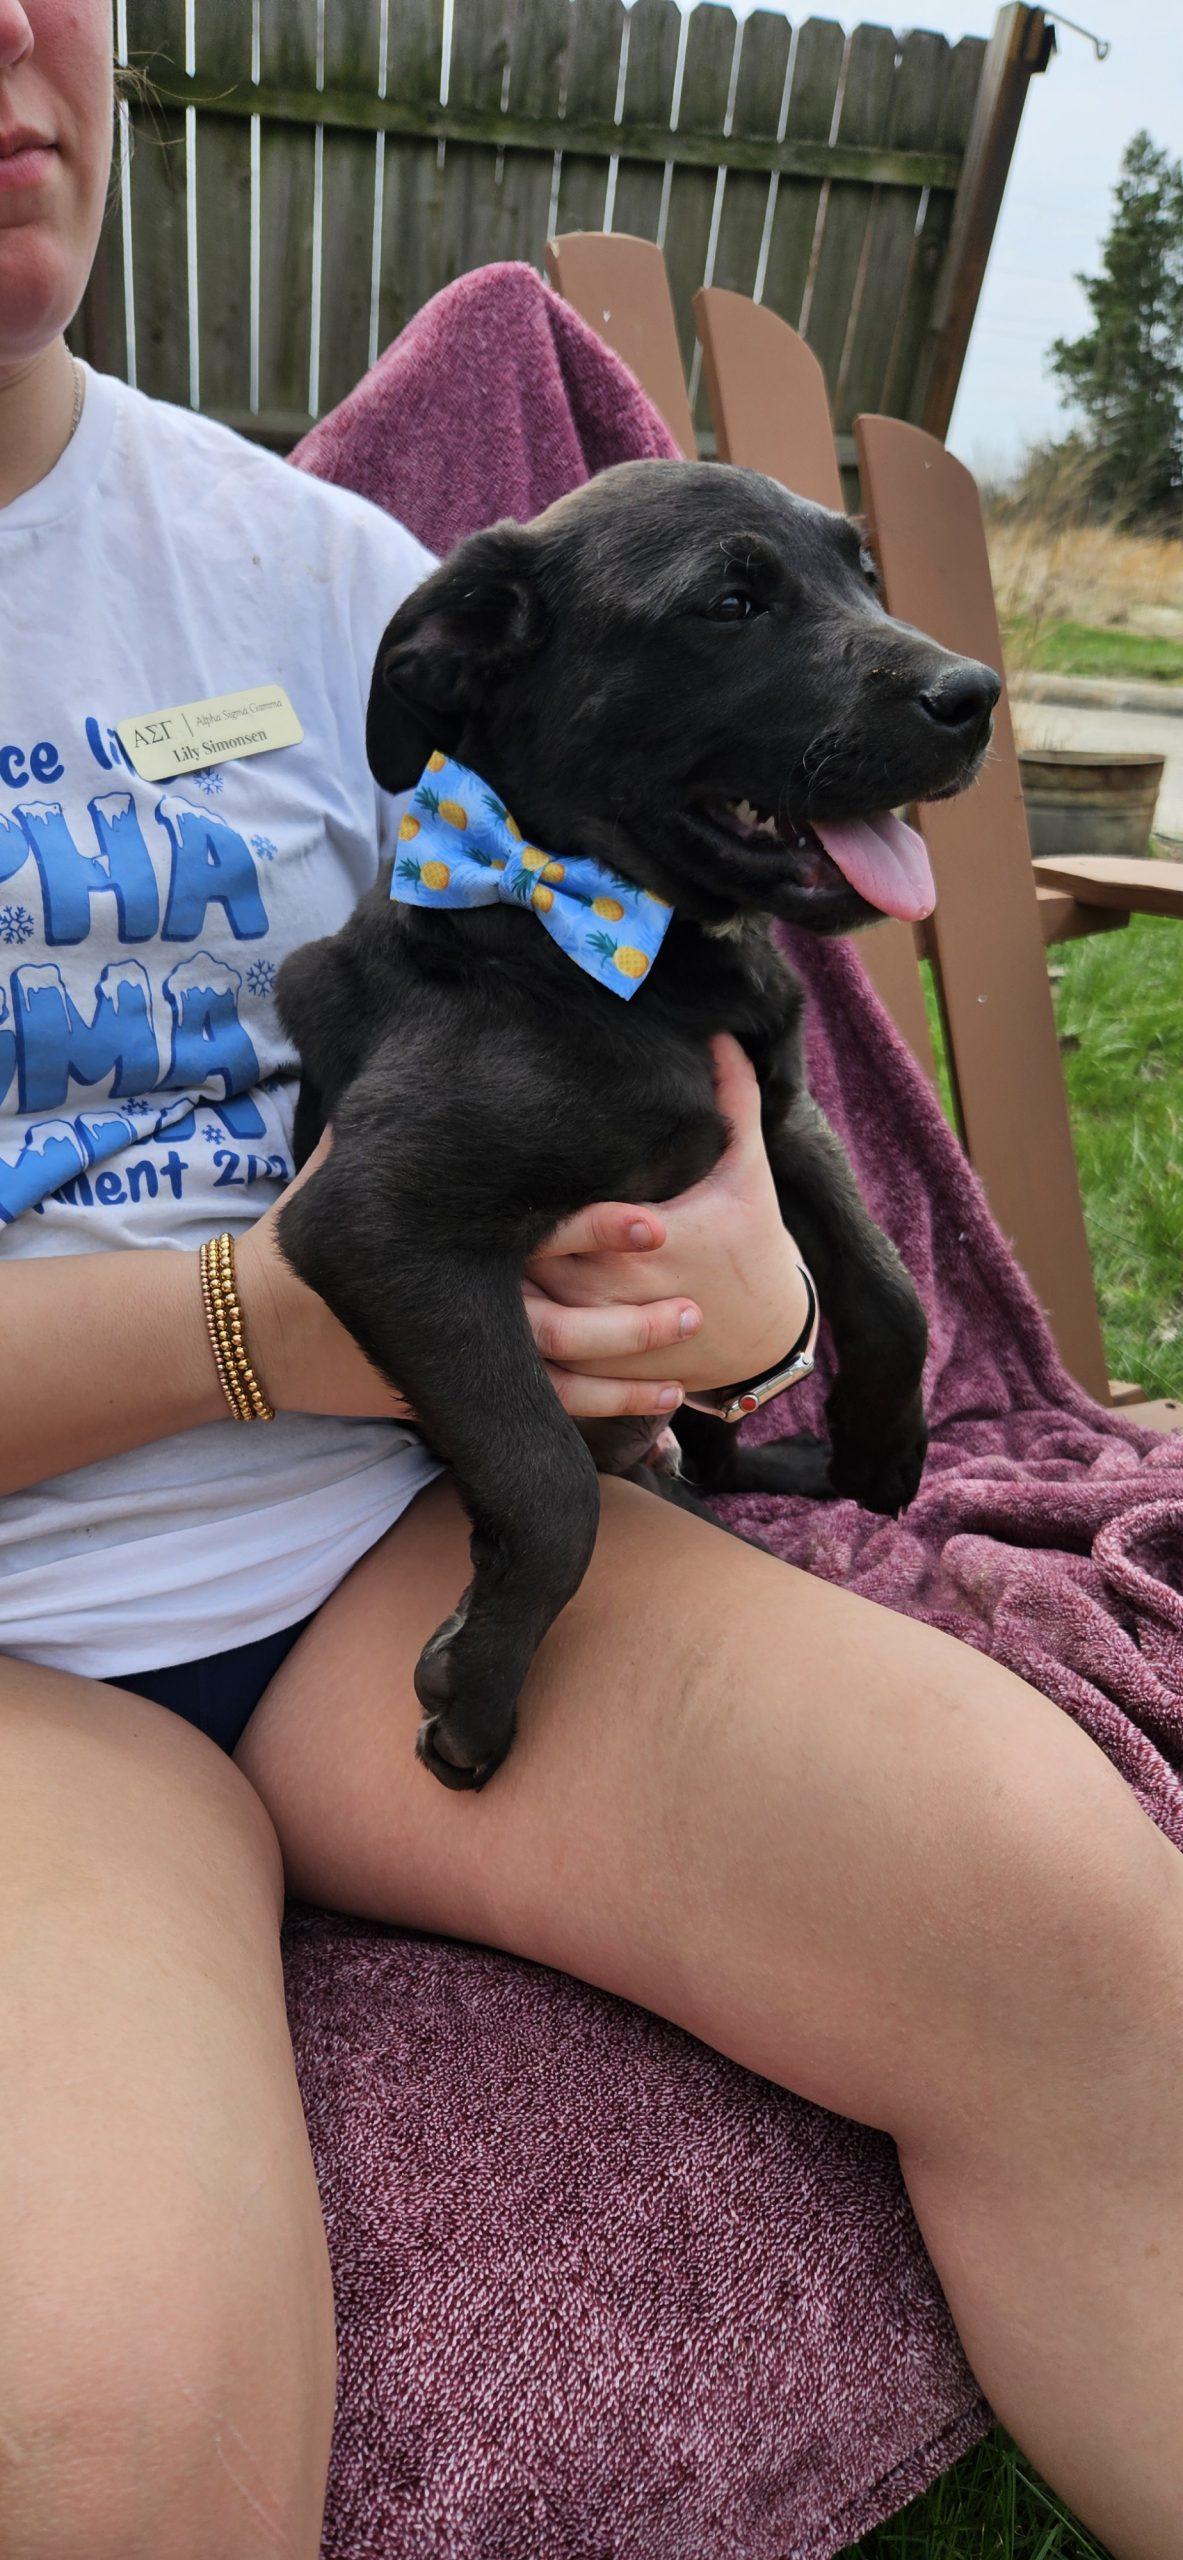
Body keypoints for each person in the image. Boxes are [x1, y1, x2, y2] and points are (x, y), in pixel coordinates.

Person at [1, 6, 1180, 2554]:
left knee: (1070, 1924)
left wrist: (737, 1277)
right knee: (107, 2416)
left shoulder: (324, 585)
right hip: (18, 1655)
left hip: (375, 1526)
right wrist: (252, 1320)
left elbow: (634, 1013)